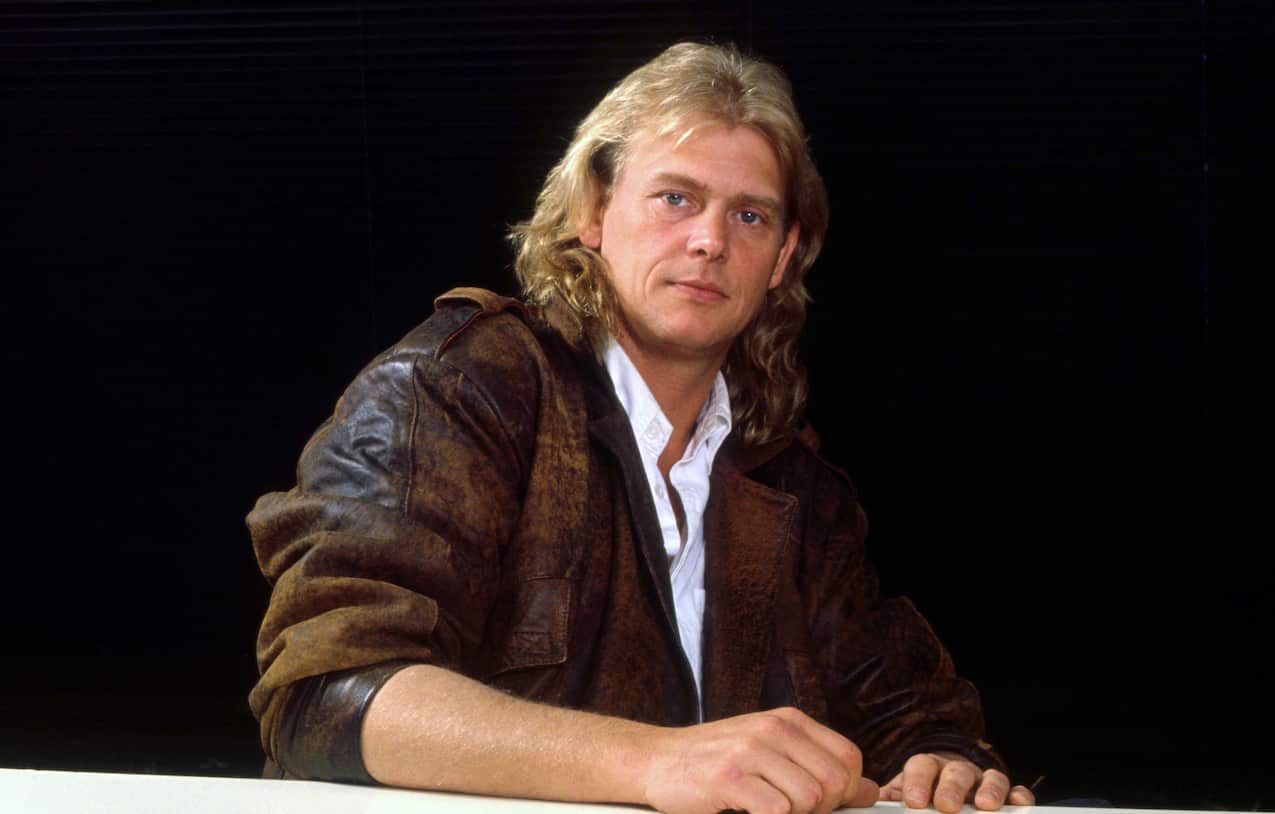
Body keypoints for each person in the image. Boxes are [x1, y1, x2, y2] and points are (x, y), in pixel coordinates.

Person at [248, 41, 1036, 814]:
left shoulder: (789, 479)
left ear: (784, 256)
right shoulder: (457, 387)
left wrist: (948, 765)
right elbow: (322, 698)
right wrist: (652, 760)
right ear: (593, 212)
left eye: (751, 215)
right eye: (675, 198)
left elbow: (915, 715)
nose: (709, 241)